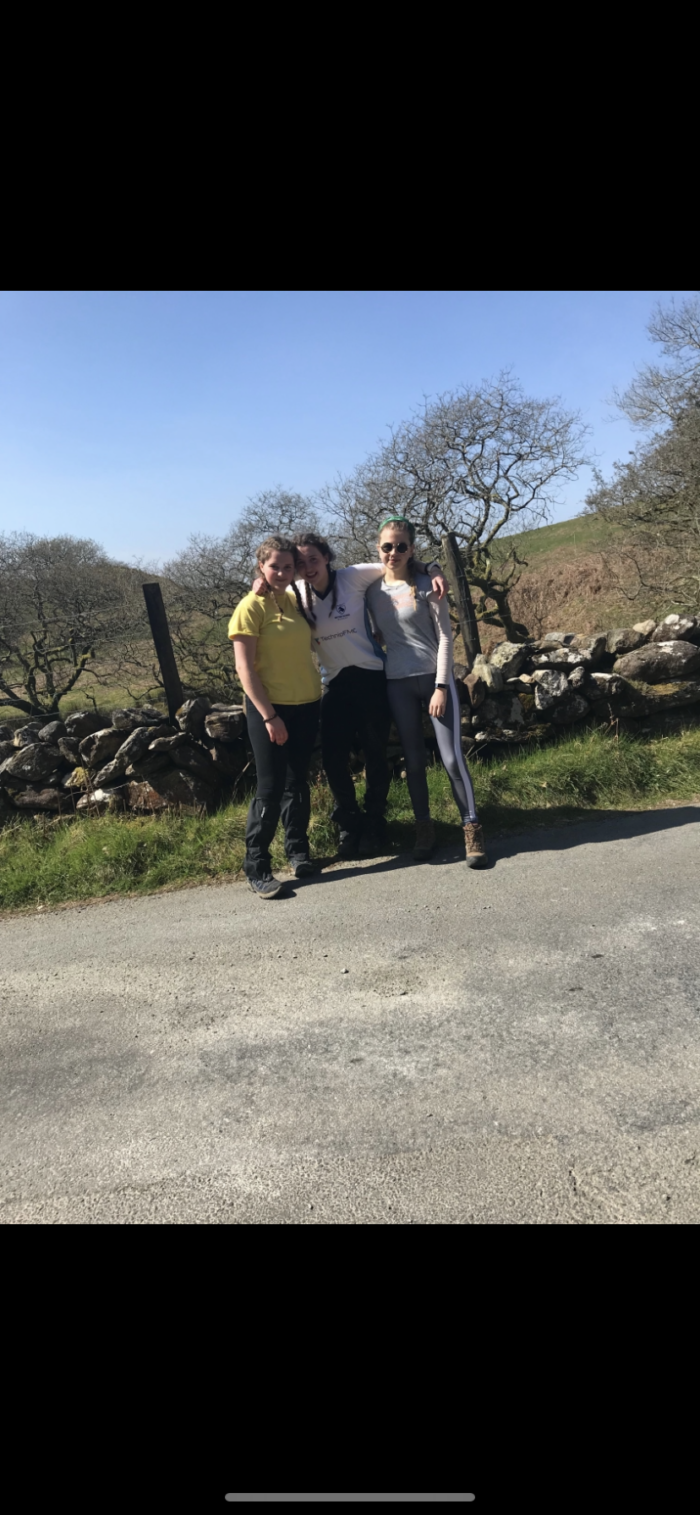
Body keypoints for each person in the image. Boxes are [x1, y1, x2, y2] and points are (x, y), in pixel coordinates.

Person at [290, 531, 448, 858]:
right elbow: (270, 589)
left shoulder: (353, 577)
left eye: (314, 559)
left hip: (372, 677)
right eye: (301, 563)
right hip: (335, 683)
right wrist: (258, 583)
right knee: (333, 760)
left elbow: (396, 561)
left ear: (327, 558)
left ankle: (375, 823)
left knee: (376, 755)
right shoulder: (297, 594)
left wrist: (432, 567)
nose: (308, 568)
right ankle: (350, 825)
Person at [366, 516, 487, 868]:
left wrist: (440, 686)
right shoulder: (371, 591)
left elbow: (446, 636)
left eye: (401, 546)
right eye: (387, 546)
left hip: (435, 679)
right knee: (414, 761)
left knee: (451, 758)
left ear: (411, 549)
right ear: (378, 547)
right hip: (397, 683)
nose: (393, 552)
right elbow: (375, 633)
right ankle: (424, 830)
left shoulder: (427, 583)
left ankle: (472, 828)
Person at [228, 536, 321, 899]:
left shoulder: (294, 600)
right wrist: (269, 716)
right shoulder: (250, 607)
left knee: (298, 783)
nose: (282, 573)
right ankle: (257, 867)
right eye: (274, 567)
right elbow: (244, 668)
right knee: (269, 788)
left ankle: (298, 852)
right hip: (270, 709)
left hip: (307, 703)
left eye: (288, 567)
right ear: (261, 567)